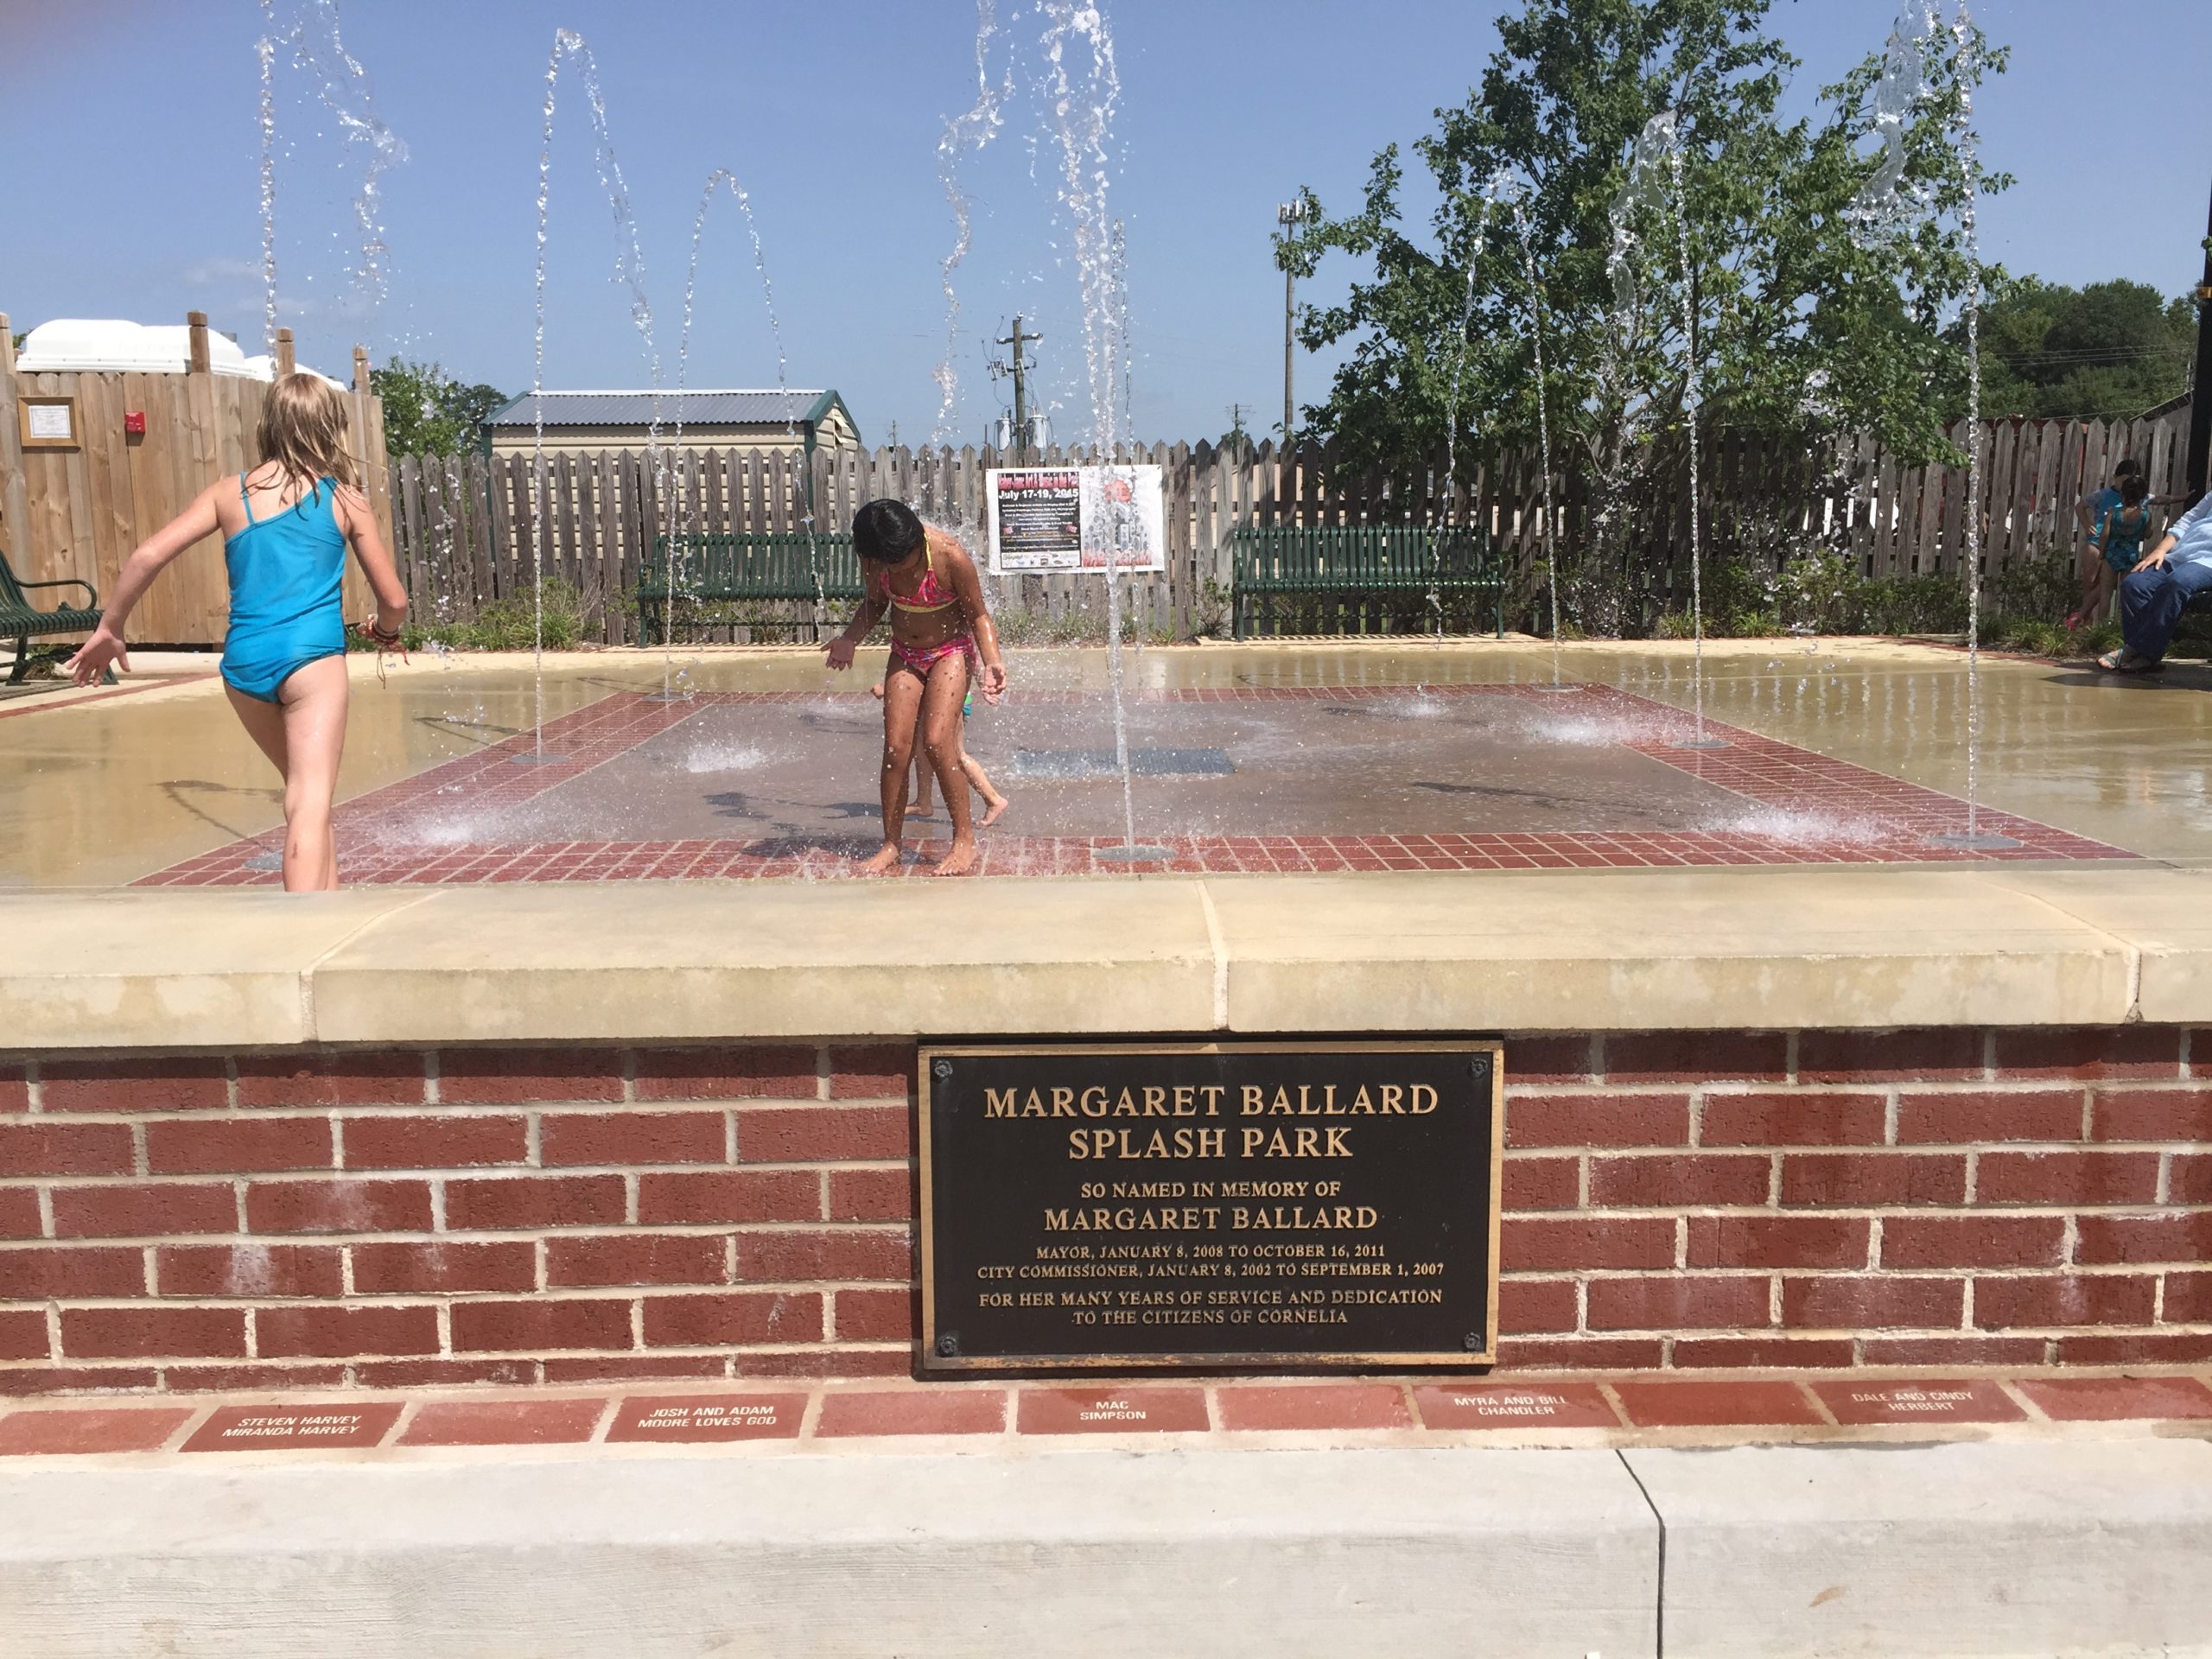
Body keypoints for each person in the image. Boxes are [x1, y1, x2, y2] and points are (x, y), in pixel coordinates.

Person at [64, 373, 408, 890]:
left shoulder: (228, 493)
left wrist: (111, 627)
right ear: (331, 427)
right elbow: (395, 601)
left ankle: (330, 903)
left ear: (268, 423)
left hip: (244, 666)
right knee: (309, 801)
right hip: (311, 662)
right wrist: (384, 631)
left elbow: (148, 554)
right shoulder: (345, 499)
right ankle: (303, 927)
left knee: (305, 793)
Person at [823, 499, 1007, 874]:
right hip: (905, 653)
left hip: (950, 652)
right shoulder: (875, 560)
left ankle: (964, 841)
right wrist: (850, 638)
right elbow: (875, 604)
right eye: (890, 564)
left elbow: (978, 614)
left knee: (938, 742)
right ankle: (892, 844)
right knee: (896, 749)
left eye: (905, 561)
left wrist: (992, 661)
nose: (900, 570)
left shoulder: (949, 555)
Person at [870, 679, 1011, 827]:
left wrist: (890, 687)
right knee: (921, 751)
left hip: (948, 698)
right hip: (937, 696)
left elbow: (927, 672)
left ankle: (993, 800)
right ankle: (923, 802)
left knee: (956, 754)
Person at [2099, 492, 2212, 674]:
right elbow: (2187, 521)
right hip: (2180, 556)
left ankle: (2136, 650)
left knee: (2178, 582)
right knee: (2135, 584)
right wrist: (2160, 550)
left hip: (2207, 562)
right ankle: (2146, 654)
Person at [2070, 474, 2158, 628]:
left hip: (2111, 555)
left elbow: (2104, 535)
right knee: (2126, 593)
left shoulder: (2114, 513)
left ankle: (2101, 627)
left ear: (2123, 494)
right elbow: (2147, 534)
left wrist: (2102, 552)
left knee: (2106, 593)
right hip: (2130, 556)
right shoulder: (2145, 515)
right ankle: (2124, 626)